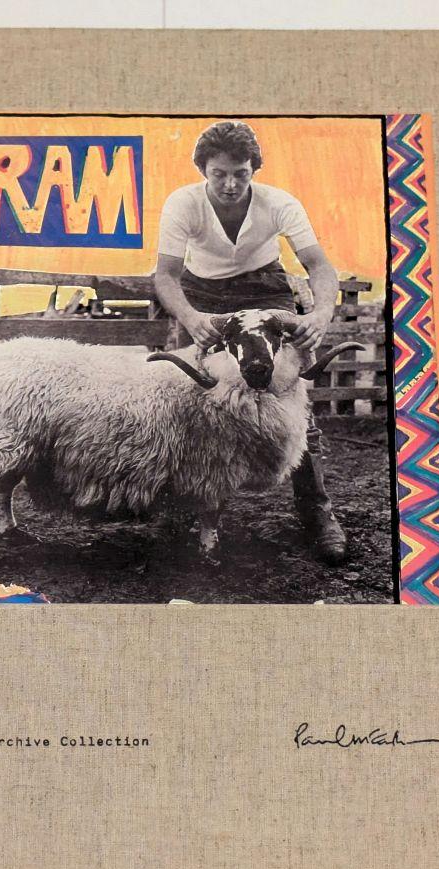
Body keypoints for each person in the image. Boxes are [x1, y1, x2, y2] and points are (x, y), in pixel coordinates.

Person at [153, 120, 348, 565]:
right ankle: (180, 512)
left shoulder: (279, 203)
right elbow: (165, 275)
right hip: (203, 297)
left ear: (253, 169)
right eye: (219, 173)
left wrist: (319, 314)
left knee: (290, 398)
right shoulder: (182, 203)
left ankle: (317, 512)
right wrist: (192, 318)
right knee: (189, 399)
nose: (230, 184)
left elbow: (319, 267)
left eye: (240, 173)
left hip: (265, 291)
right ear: (203, 170)